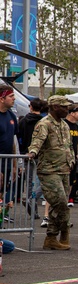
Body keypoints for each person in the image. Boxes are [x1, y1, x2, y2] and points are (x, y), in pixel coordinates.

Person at [26, 95, 75, 251]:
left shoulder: (65, 125)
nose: (67, 110)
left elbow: (70, 146)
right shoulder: (44, 124)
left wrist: (72, 160)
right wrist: (32, 152)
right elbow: (37, 142)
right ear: (54, 107)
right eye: (64, 107)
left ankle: (51, 238)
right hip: (49, 170)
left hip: (64, 169)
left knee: (58, 204)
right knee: (60, 202)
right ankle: (64, 232)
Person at [0, 86, 21, 221]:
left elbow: (13, 142)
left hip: (6, 162)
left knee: (2, 194)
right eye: (11, 96)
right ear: (1, 99)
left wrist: (14, 165)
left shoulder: (11, 115)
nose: (14, 99)